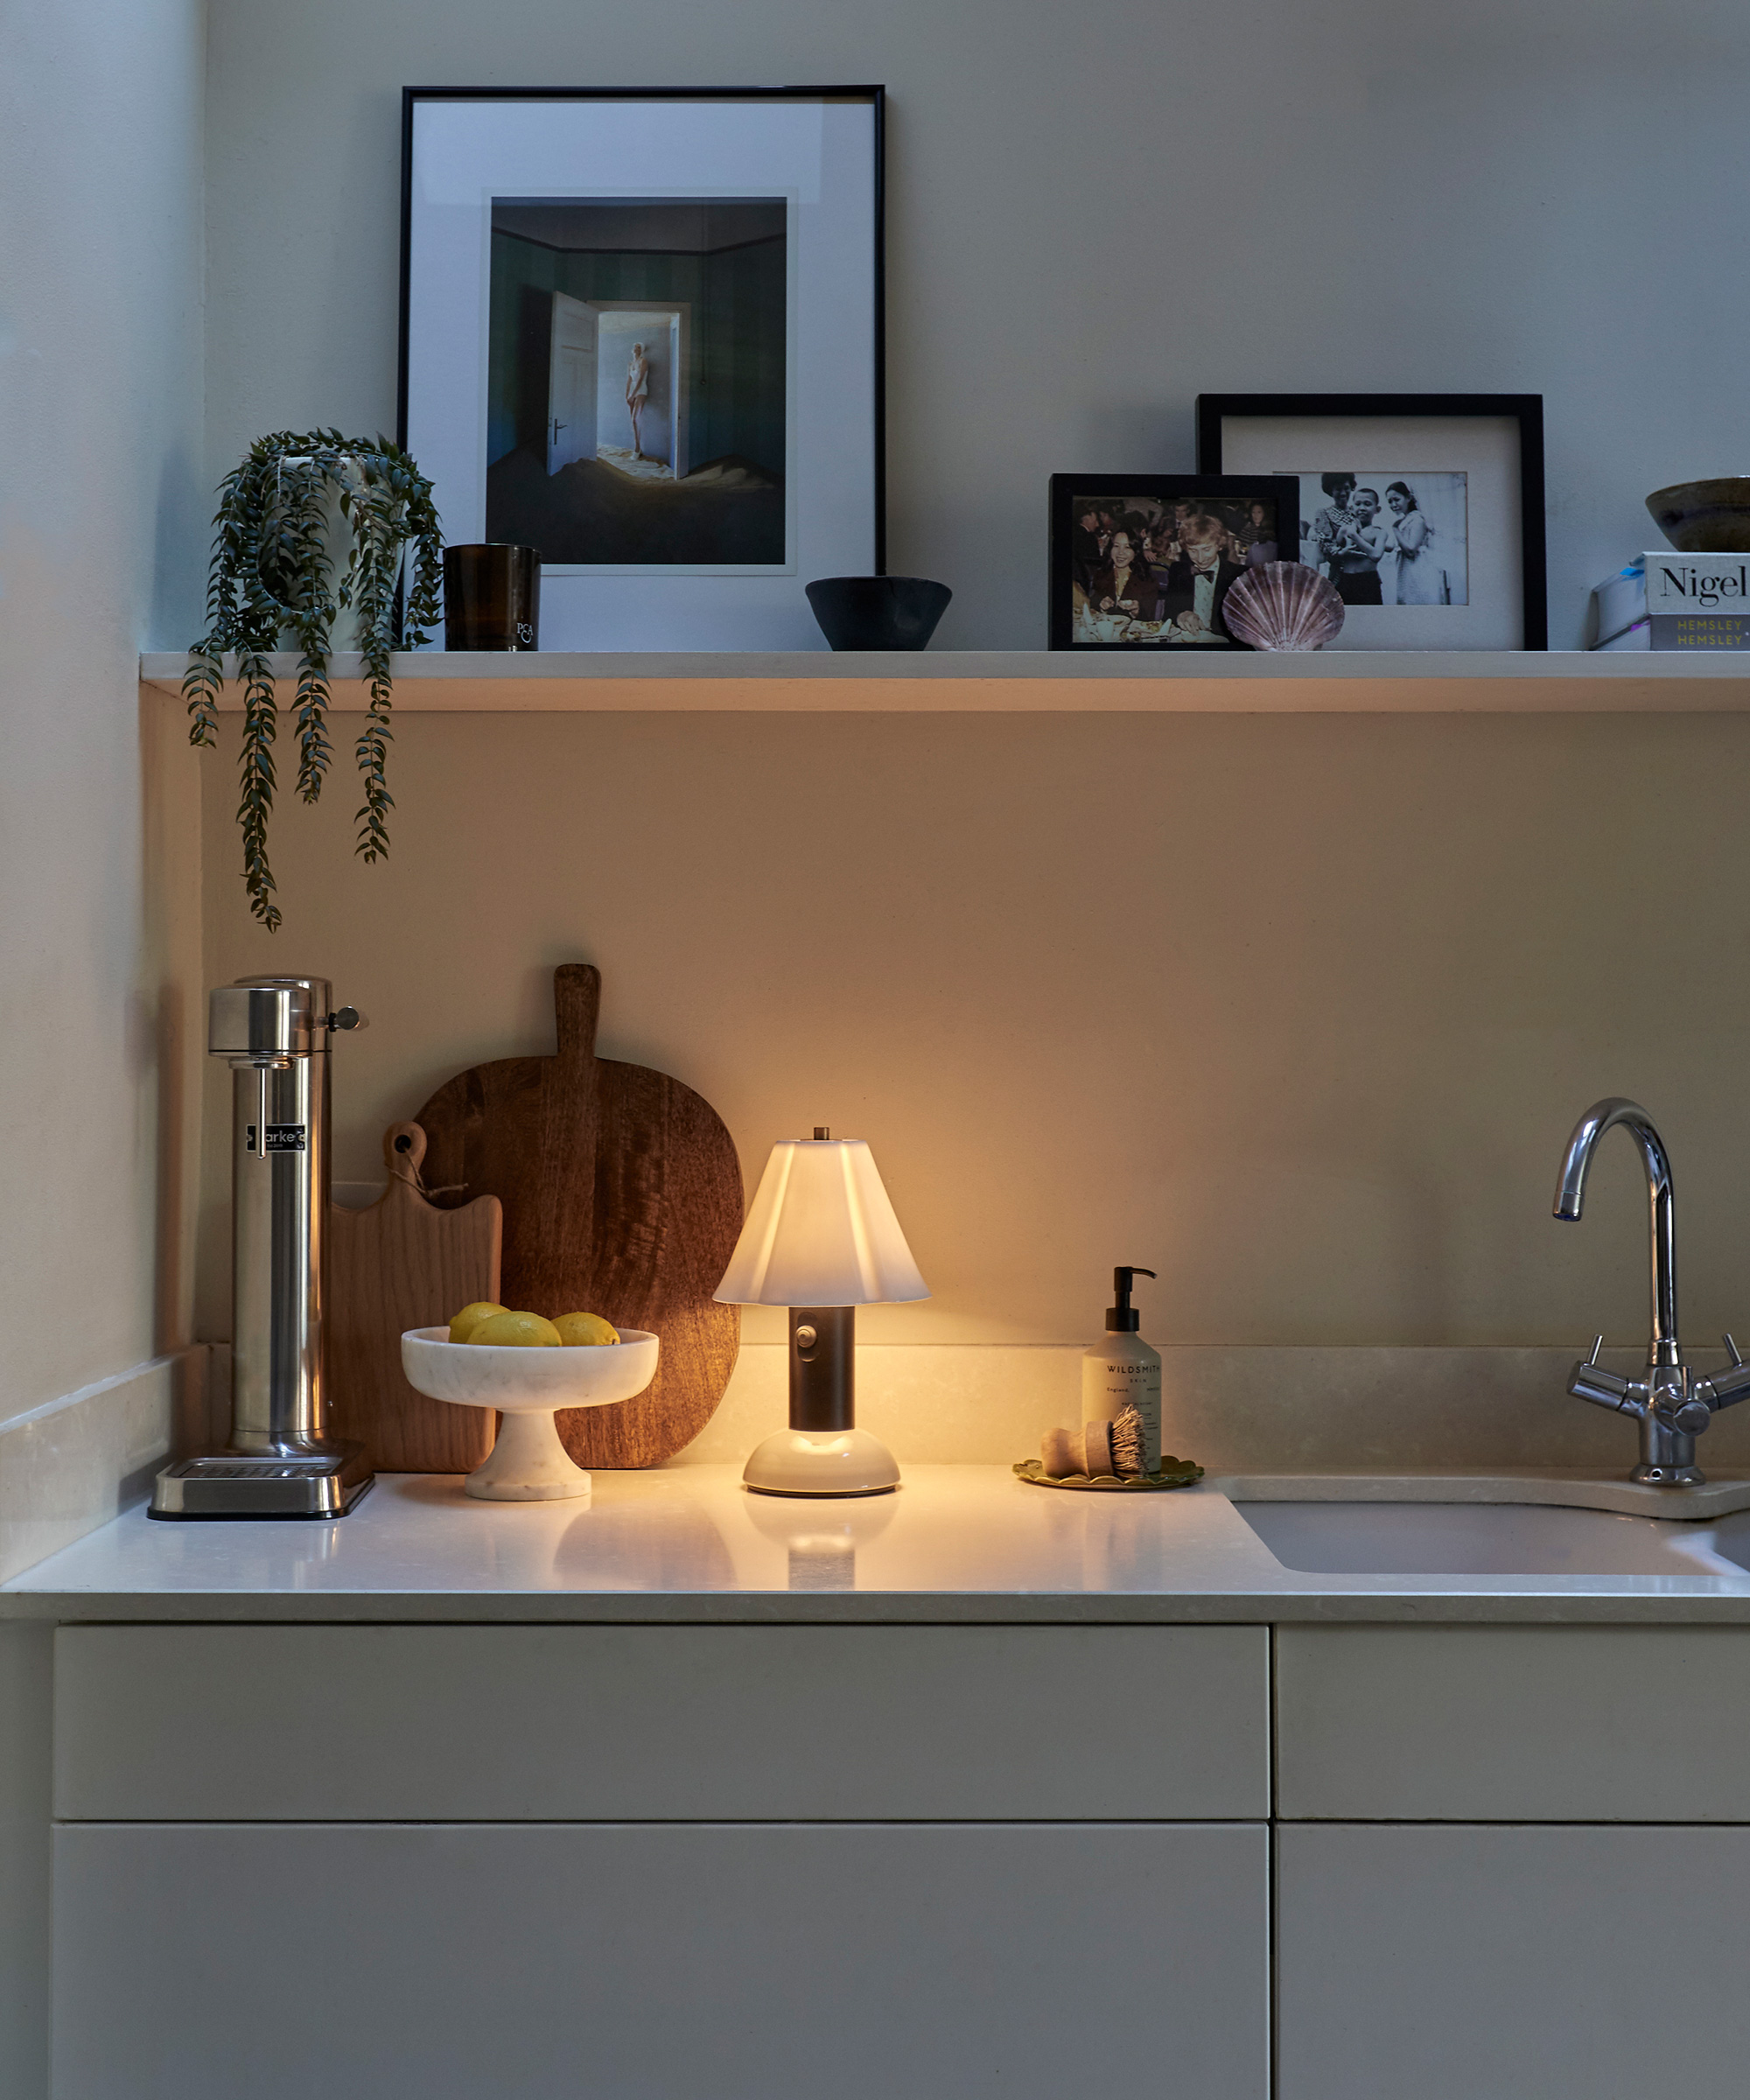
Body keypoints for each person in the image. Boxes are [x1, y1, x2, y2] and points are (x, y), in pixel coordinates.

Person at [1160, 514, 1245, 640]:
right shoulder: (1178, 570)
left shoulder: (1238, 575)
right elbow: (1168, 613)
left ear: (1219, 545)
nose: (1200, 558)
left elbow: (1244, 625)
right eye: (1193, 551)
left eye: (1206, 549)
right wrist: (1181, 616)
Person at [1382, 480, 1446, 605]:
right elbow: (1395, 547)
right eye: (1390, 501)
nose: (1393, 504)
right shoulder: (1405, 520)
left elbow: (1411, 551)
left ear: (1408, 498)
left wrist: (1395, 529)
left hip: (1419, 572)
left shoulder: (1417, 520)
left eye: (1396, 499)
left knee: (1418, 602)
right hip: (1407, 571)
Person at [1326, 486, 1390, 605]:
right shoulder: (1344, 530)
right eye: (1358, 504)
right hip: (1346, 580)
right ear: (1352, 508)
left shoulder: (1379, 532)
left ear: (1377, 509)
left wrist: (1354, 535)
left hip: (1368, 581)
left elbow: (1376, 555)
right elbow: (1331, 557)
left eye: (1367, 504)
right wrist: (1342, 553)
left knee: (1372, 617)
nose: (1362, 508)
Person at [1087, 529, 1161, 622]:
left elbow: (1149, 618)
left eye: (1127, 547)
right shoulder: (1102, 575)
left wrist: (1137, 612)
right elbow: (1092, 606)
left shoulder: (1147, 581)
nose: (1120, 552)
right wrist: (1101, 606)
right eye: (1116, 546)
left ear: (1135, 552)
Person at [1308, 472, 1356, 576]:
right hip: (1339, 571)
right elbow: (1326, 544)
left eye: (1346, 488)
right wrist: (1341, 552)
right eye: (1338, 489)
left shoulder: (1357, 511)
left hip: (1361, 568)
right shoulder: (1324, 513)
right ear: (1331, 492)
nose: (1343, 493)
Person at [626, 342, 651, 459]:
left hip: (641, 390)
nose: (636, 349)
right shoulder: (630, 364)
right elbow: (629, 381)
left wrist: (633, 394)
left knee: (635, 419)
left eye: (639, 347)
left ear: (642, 350)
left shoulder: (643, 361)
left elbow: (640, 379)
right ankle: (638, 447)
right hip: (633, 390)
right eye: (635, 347)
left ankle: (637, 448)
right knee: (633, 421)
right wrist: (627, 395)